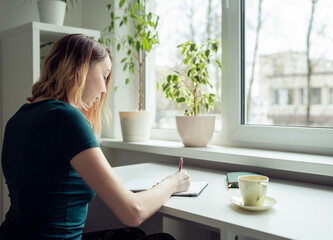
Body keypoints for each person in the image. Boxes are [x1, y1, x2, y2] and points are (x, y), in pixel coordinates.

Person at [0, 34, 190, 240]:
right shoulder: (66, 117)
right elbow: (133, 212)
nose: (102, 89)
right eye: (104, 75)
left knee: (134, 235)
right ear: (80, 68)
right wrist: (173, 182)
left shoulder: (19, 117)